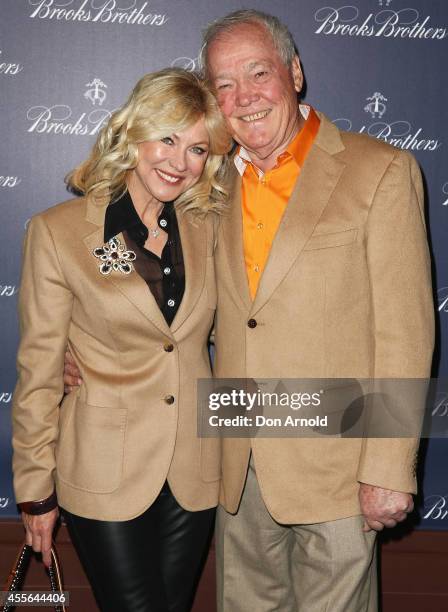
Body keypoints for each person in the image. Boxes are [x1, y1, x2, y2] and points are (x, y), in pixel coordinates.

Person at [64, 9, 434, 612]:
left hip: (339, 466)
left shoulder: (381, 171)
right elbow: (129, 267)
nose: (244, 97)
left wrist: (390, 466)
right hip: (234, 464)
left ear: (295, 72)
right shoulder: (203, 186)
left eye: (258, 73)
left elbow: (406, 332)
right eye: (224, 84)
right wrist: (76, 347)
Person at [12, 67, 231, 612]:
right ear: (133, 134)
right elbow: (38, 370)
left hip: (194, 469)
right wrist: (35, 487)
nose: (180, 162)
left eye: (198, 149)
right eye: (167, 138)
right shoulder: (60, 232)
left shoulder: (211, 229)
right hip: (103, 468)